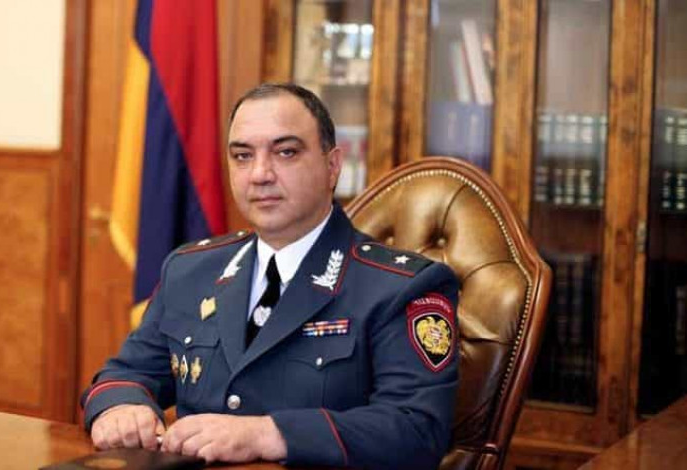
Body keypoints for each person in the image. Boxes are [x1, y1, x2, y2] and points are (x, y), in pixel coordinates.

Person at [81, 83, 460, 470]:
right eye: (242, 156)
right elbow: (127, 372)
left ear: (332, 166)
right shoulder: (190, 270)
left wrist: (266, 435)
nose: (260, 174)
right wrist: (121, 407)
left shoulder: (400, 287)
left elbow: (416, 430)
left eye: (286, 152)